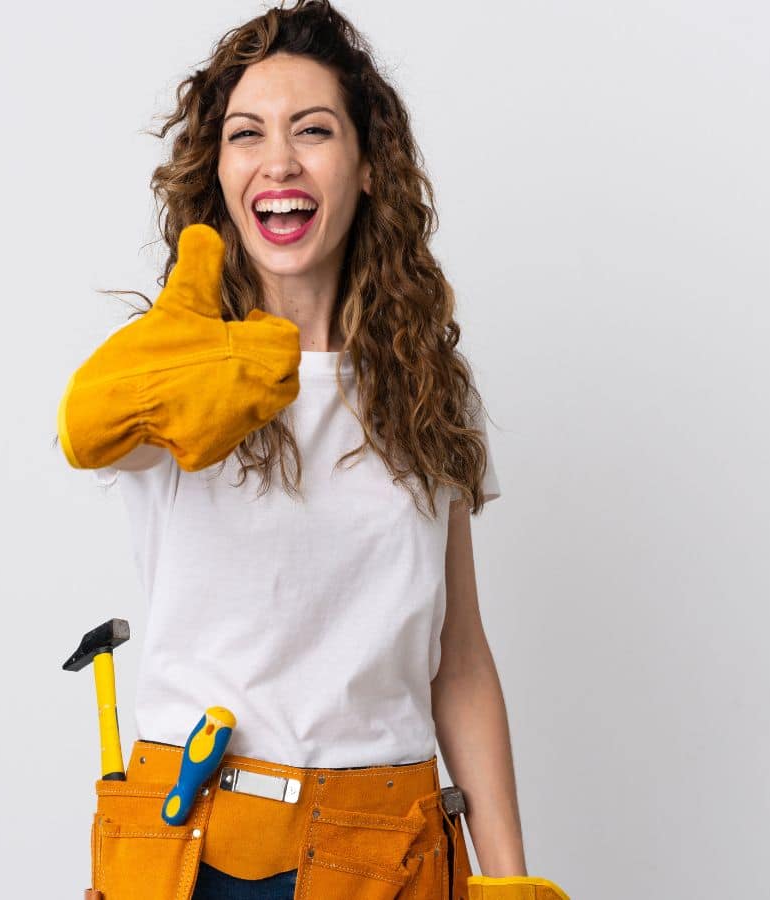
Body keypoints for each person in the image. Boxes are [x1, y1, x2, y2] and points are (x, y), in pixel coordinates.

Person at [64, 3, 564, 899]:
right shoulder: (175, 367)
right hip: (190, 848)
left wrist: (510, 880)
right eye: (246, 134)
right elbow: (89, 431)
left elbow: (460, 657)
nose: (279, 160)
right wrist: (153, 376)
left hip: (383, 851)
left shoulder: (429, 391)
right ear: (219, 175)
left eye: (314, 130)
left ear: (369, 167)